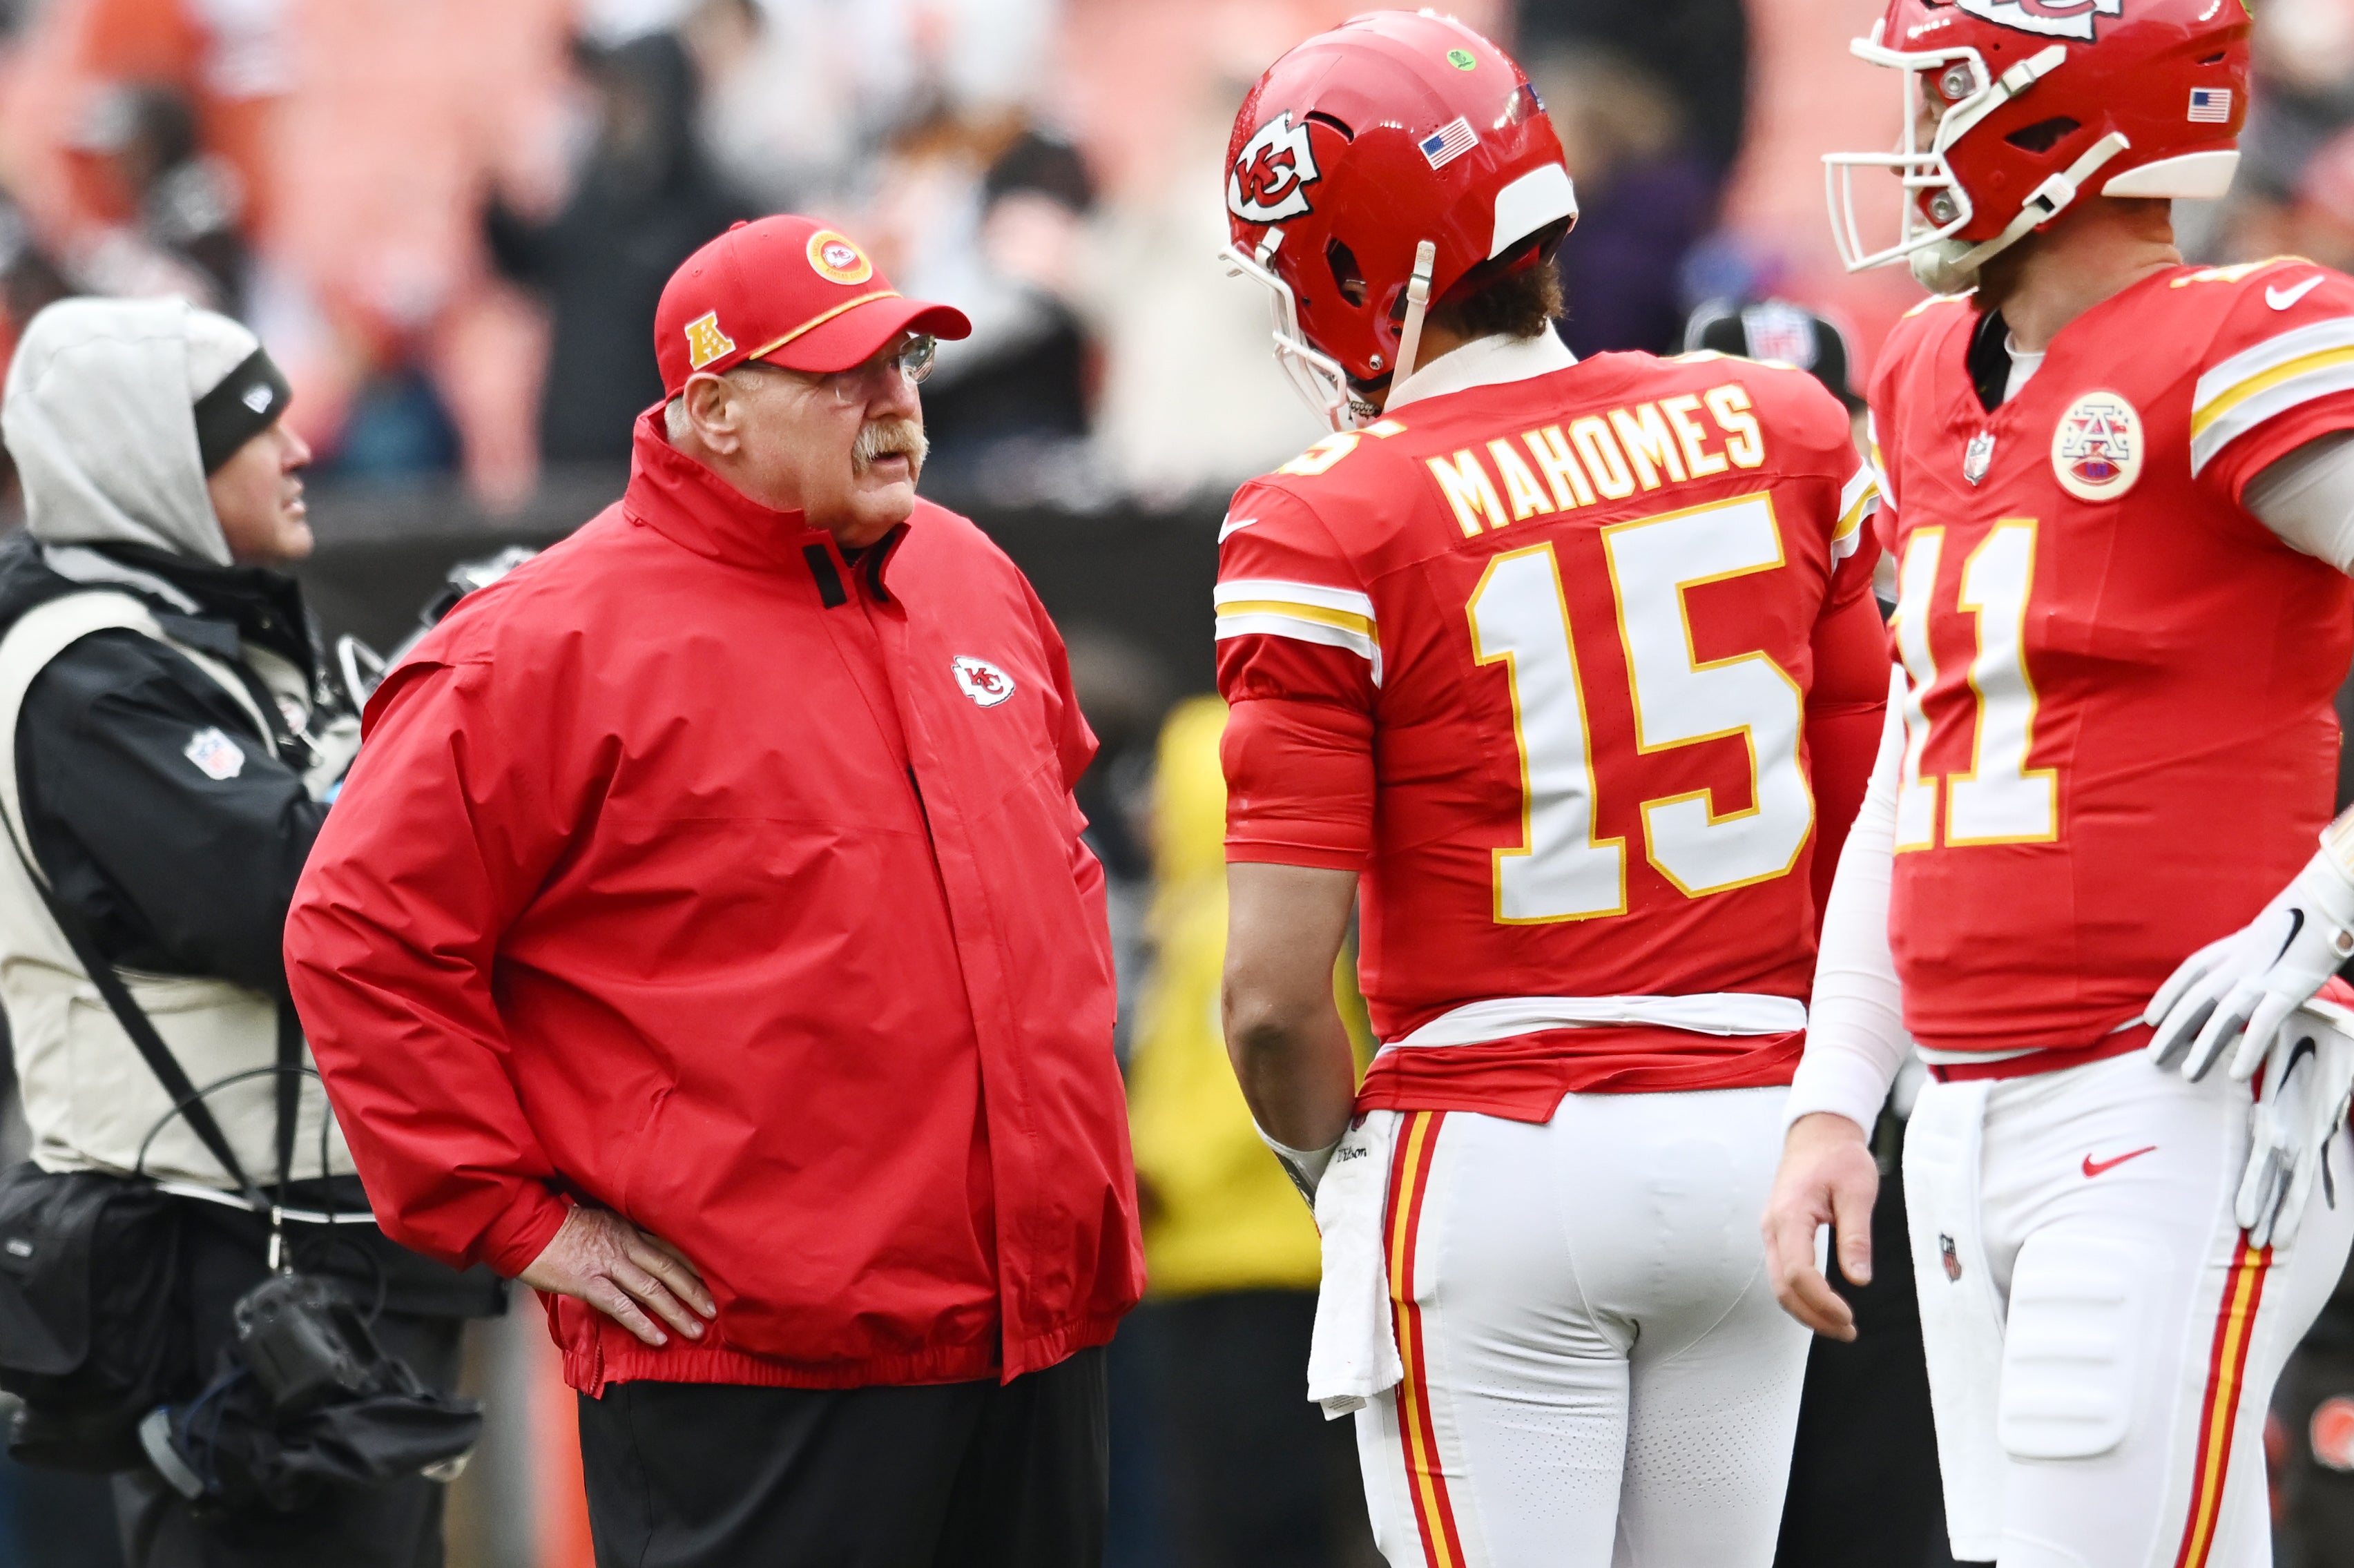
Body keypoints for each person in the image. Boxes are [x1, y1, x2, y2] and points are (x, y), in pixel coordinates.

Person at [283, 213, 1144, 1568]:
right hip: (752, 1360)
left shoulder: (973, 573)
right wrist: (513, 1212)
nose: (894, 402)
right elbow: (360, 929)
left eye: (905, 363)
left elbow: (1060, 832)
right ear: (714, 408)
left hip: (1028, 1328)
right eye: (841, 373)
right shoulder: (542, 642)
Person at [1211, 15, 1890, 1566]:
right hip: (1758, 1137)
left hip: (1496, 1146)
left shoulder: (1329, 516)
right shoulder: (1779, 424)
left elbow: (1267, 994)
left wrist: (1334, 1174)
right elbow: (1872, 841)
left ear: (1341, 267)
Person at [1768, 3, 2354, 1565]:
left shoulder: (2240, 340)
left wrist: (2328, 906)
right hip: (1963, 1103)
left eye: (1943, 92)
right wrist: (1836, 1094)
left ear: (2068, 119)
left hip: (2166, 1085)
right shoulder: (1921, 373)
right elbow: (1921, 746)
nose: (1906, 137)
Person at [0, 296, 501, 1567]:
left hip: (314, 1244)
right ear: (151, 462)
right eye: (252, 427)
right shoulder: (85, 670)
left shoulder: (205, 638)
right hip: (225, 1259)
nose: (298, 450)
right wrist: (455, 691)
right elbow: (304, 901)